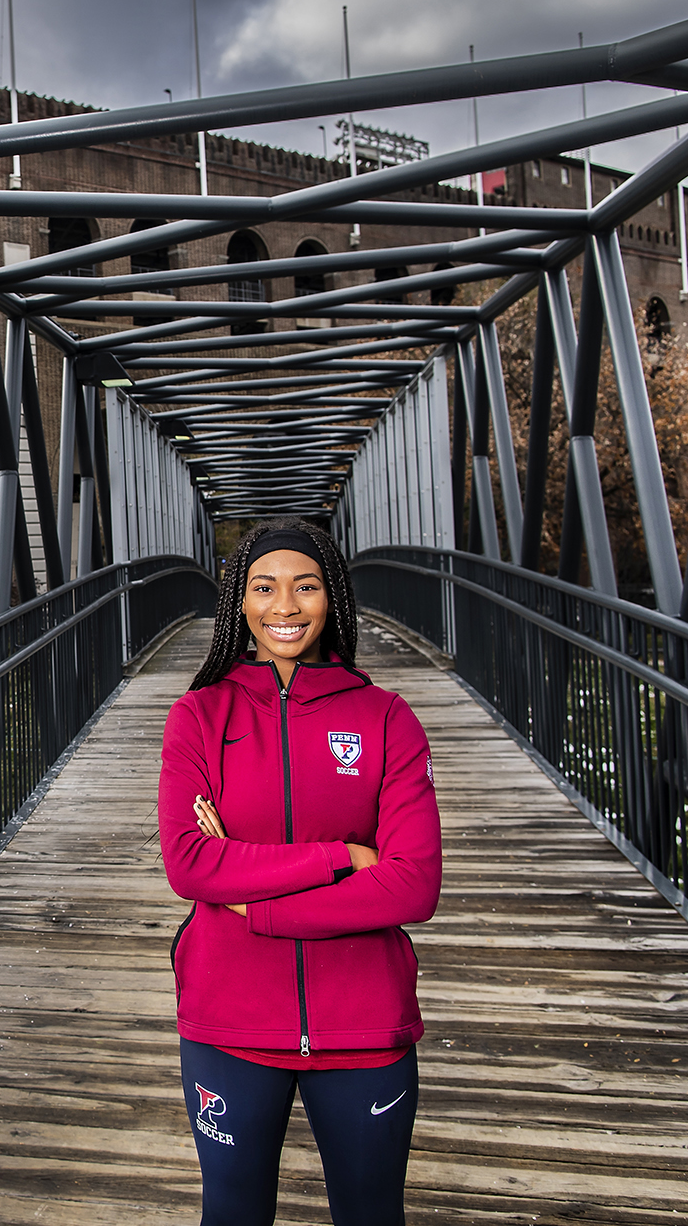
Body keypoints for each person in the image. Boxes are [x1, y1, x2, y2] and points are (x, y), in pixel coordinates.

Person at [157, 517, 442, 1226]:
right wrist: (340, 858)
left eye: (305, 585)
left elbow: (414, 883)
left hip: (363, 1021)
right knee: (231, 1214)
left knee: (373, 1215)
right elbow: (190, 863)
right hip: (230, 1020)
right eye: (264, 586)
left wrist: (259, 905)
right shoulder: (197, 715)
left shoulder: (387, 719)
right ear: (239, 603)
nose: (284, 606)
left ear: (332, 596)